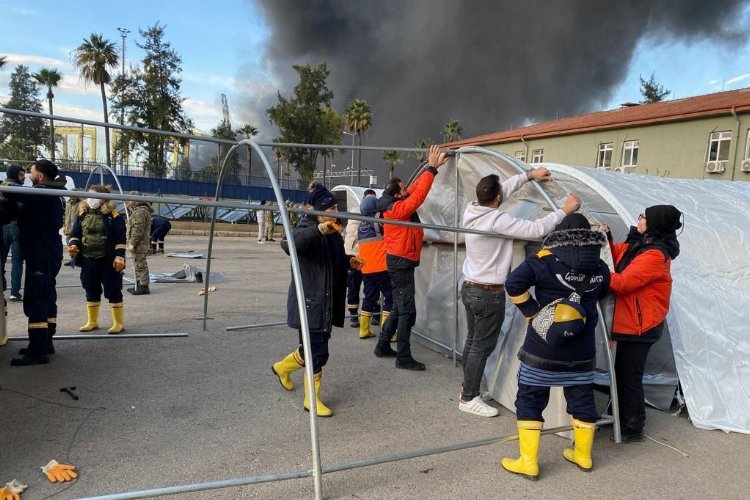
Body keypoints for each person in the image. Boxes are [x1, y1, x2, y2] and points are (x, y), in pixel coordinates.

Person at [458, 171, 582, 417]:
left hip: (471, 287)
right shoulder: (496, 220)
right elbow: (536, 229)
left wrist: (527, 176)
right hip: (486, 293)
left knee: (473, 342)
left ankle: (467, 389)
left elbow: (502, 188)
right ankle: (468, 397)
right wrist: (564, 210)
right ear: (497, 198)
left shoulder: (472, 209)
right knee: (481, 347)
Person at [502, 213, 610, 479]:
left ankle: (528, 461)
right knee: (583, 398)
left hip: (542, 347)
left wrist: (532, 312)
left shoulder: (543, 261)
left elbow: (513, 283)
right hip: (582, 350)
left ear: (559, 234)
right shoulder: (600, 267)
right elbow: (604, 292)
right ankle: (582, 455)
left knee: (530, 397)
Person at [271, 184, 363, 417]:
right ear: (319, 210)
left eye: (335, 207)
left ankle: (282, 367)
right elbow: (289, 244)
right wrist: (319, 229)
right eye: (330, 208)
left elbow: (333, 258)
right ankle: (311, 399)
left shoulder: (333, 232)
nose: (335, 211)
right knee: (318, 352)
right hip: (310, 302)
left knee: (311, 349)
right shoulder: (306, 228)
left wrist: (348, 262)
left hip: (325, 301)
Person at [601, 205, 682, 443]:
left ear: (655, 223)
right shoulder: (641, 244)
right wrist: (607, 240)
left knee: (629, 375)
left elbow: (622, 282)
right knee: (620, 372)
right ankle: (617, 414)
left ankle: (633, 425)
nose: (639, 219)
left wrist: (596, 274)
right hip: (631, 321)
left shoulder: (655, 254)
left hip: (641, 325)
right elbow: (617, 256)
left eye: (644, 217)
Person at [373, 145, 448, 371]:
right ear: (397, 194)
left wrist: (431, 168)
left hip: (400, 261)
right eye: (403, 188)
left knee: (399, 305)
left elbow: (414, 190)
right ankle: (403, 357)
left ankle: (382, 345)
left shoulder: (394, 202)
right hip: (401, 262)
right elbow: (417, 197)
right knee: (407, 310)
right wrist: (431, 169)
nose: (407, 189)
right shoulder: (396, 209)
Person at [5, 159, 66, 366]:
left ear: (40, 175)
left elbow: (15, 193)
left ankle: (38, 350)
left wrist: (6, 185)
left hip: (41, 253)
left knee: (37, 298)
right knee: (47, 295)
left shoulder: (43, 193)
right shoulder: (48, 194)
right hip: (47, 251)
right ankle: (45, 342)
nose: (29, 175)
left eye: (31, 171)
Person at [68, 184, 127, 334]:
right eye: (89, 196)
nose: (90, 199)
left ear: (103, 199)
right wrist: (74, 245)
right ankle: (92, 321)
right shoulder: (82, 213)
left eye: (94, 196)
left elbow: (121, 238)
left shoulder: (114, 216)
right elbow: (75, 233)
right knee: (90, 289)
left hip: (107, 260)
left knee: (113, 290)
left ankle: (117, 323)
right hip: (88, 259)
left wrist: (119, 257)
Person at [356, 189, 393, 339]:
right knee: (390, 298)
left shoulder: (361, 225)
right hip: (382, 267)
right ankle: (387, 333)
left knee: (369, 297)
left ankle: (363, 330)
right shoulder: (379, 221)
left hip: (366, 268)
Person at [1, 165, 25, 301]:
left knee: (1, 260)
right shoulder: (19, 189)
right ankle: (15, 292)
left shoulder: (2, 187)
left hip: (3, 227)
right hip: (17, 227)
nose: (23, 178)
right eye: (21, 175)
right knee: (17, 262)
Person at [344, 192, 365, 328]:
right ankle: (368, 313)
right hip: (358, 255)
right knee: (368, 285)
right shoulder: (365, 215)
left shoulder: (353, 213)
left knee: (353, 285)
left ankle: (353, 314)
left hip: (351, 254)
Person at [126, 192, 152, 295]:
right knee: (137, 264)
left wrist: (132, 243)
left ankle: (144, 286)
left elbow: (138, 228)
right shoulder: (139, 211)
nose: (128, 202)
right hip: (139, 243)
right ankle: (139, 284)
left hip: (139, 244)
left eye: (130, 200)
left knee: (140, 265)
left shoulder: (140, 211)